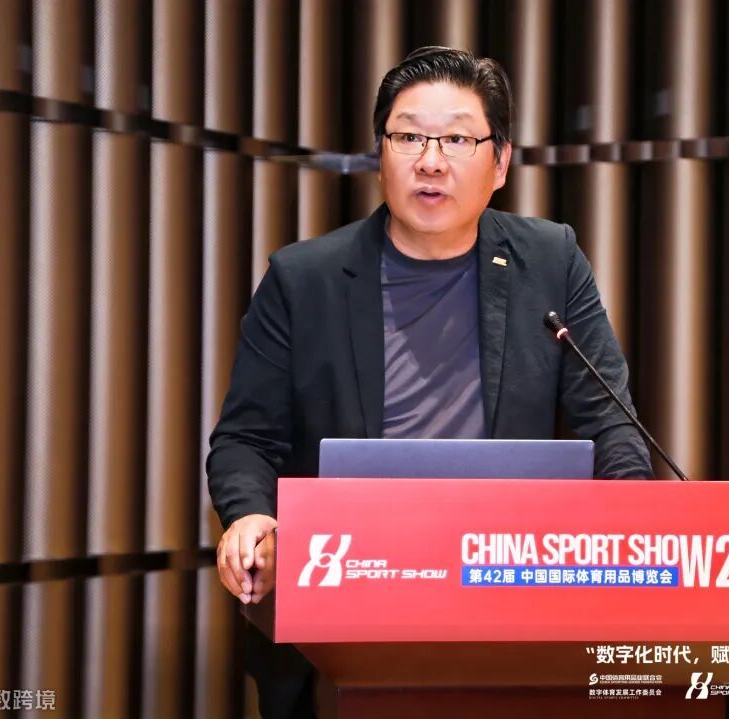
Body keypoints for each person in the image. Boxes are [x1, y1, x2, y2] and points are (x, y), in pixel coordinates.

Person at [206, 46, 654, 719]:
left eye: (458, 139)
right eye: (409, 136)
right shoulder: (304, 280)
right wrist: (251, 515)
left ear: (500, 162)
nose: (431, 160)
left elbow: (610, 417)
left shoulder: (550, 260)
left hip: (510, 599)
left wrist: (632, 522)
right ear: (380, 154)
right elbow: (245, 438)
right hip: (349, 603)